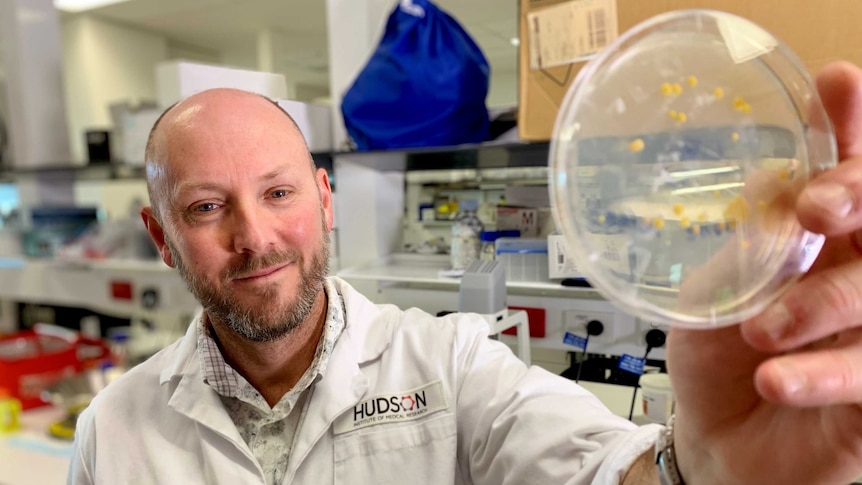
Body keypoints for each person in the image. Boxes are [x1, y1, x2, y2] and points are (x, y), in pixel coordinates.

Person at [68, 61, 862, 485]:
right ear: (161, 236)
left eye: (279, 193)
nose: (254, 236)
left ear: (324, 198)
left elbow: (598, 468)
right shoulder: (113, 428)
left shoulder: (451, 365)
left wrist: (705, 468)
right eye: (207, 208)